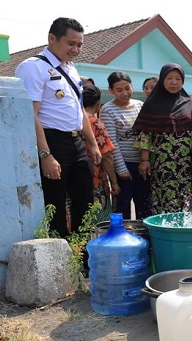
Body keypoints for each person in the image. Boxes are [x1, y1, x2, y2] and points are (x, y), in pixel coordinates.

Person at [15, 17, 101, 237]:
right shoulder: (33, 68)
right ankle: (60, 256)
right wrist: (45, 155)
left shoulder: (71, 69)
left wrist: (92, 143)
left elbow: (80, 111)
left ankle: (83, 255)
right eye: (71, 43)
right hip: (52, 142)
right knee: (54, 203)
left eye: (80, 45)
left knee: (85, 200)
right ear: (52, 38)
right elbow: (30, 114)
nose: (76, 50)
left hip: (76, 142)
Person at [132, 63, 192, 214]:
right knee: (164, 196)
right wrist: (144, 160)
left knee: (187, 197)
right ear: (162, 80)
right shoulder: (151, 104)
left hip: (186, 162)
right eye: (169, 78)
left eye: (178, 79)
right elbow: (145, 134)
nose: (174, 82)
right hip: (163, 163)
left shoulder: (188, 102)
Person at [99, 71, 150, 219]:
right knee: (123, 207)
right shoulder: (107, 110)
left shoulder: (140, 106)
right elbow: (112, 142)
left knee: (144, 205)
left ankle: (145, 238)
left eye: (127, 88)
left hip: (142, 165)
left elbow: (146, 135)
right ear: (111, 91)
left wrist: (145, 161)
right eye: (119, 90)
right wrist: (121, 169)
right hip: (124, 164)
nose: (125, 93)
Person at [82, 85, 120, 222]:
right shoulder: (95, 123)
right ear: (98, 104)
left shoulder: (71, 122)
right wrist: (114, 182)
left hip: (74, 177)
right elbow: (107, 156)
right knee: (98, 222)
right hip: (96, 179)